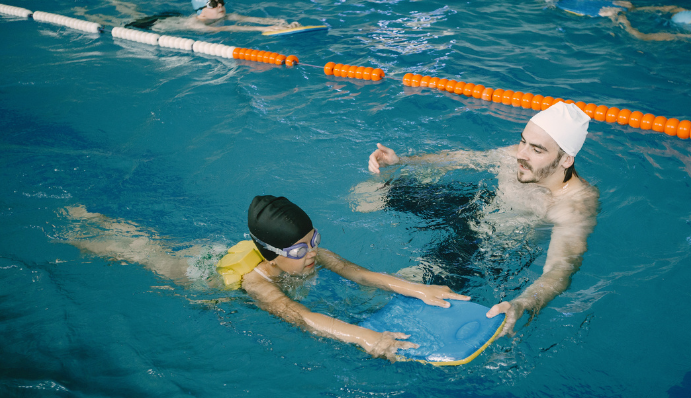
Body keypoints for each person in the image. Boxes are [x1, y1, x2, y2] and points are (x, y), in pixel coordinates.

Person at [61, 196, 470, 362]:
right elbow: (299, 315)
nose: (312, 254)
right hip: (201, 276)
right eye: (299, 250)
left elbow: (360, 273)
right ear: (272, 253)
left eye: (313, 241)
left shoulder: (312, 254)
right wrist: (364, 336)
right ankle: (89, 228)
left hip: (242, 251)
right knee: (148, 255)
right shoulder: (257, 284)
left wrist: (421, 289)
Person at [363, 102, 600, 338]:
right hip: (477, 205)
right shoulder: (517, 156)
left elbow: (560, 269)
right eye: (523, 141)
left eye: (537, 150)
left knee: (399, 287)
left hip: (489, 246)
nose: (521, 154)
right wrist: (403, 161)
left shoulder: (574, 205)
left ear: (566, 160)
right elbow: (460, 158)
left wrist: (522, 304)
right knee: (367, 195)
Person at [122, 0, 300, 34]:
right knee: (129, 19)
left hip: (173, 16)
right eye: (213, 4)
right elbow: (228, 28)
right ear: (201, 10)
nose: (220, 5)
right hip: (154, 26)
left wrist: (279, 23)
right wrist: (264, 30)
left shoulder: (226, 14)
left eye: (221, 1)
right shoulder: (196, 25)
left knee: (134, 10)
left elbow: (245, 19)